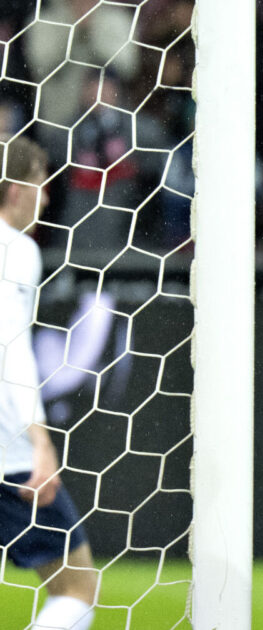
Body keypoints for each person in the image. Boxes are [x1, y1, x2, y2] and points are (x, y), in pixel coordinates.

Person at [0, 134, 98, 629]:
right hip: (9, 455)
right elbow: (12, 349)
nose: (47, 197)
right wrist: (39, 441)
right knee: (78, 586)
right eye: (40, 185)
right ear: (14, 191)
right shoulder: (15, 249)